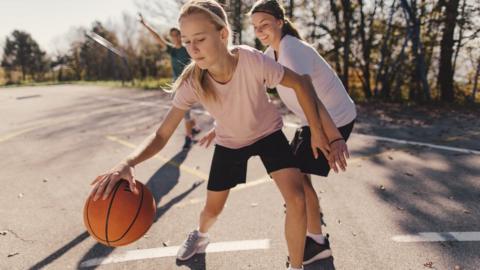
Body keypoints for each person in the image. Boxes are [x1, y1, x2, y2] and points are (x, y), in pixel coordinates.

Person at [91, 1, 345, 269]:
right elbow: (162, 134)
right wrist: (127, 163)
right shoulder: (192, 82)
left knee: (297, 198)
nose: (192, 48)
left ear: (223, 34)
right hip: (231, 142)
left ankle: (296, 265)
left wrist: (318, 132)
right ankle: (200, 236)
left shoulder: (252, 60)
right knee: (213, 209)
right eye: (187, 41)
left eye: (199, 39)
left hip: (268, 133)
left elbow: (302, 84)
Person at [201, 0, 356, 265]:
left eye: (266, 25)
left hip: (332, 120)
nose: (260, 31)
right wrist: (222, 126)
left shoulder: (290, 51)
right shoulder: (271, 52)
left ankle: (316, 241)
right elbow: (249, 93)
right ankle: (314, 234)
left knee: (300, 183)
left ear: (280, 22)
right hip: (314, 120)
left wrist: (332, 137)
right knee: (300, 180)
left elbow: (314, 99)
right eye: (255, 27)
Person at [139, 13, 199, 149]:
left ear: (181, 35)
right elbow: (157, 37)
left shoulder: (188, 48)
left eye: (177, 35)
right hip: (178, 85)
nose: (175, 38)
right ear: (171, 38)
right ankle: (193, 130)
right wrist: (145, 25)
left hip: (190, 84)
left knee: (186, 112)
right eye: (172, 36)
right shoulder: (171, 50)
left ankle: (189, 137)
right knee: (187, 112)